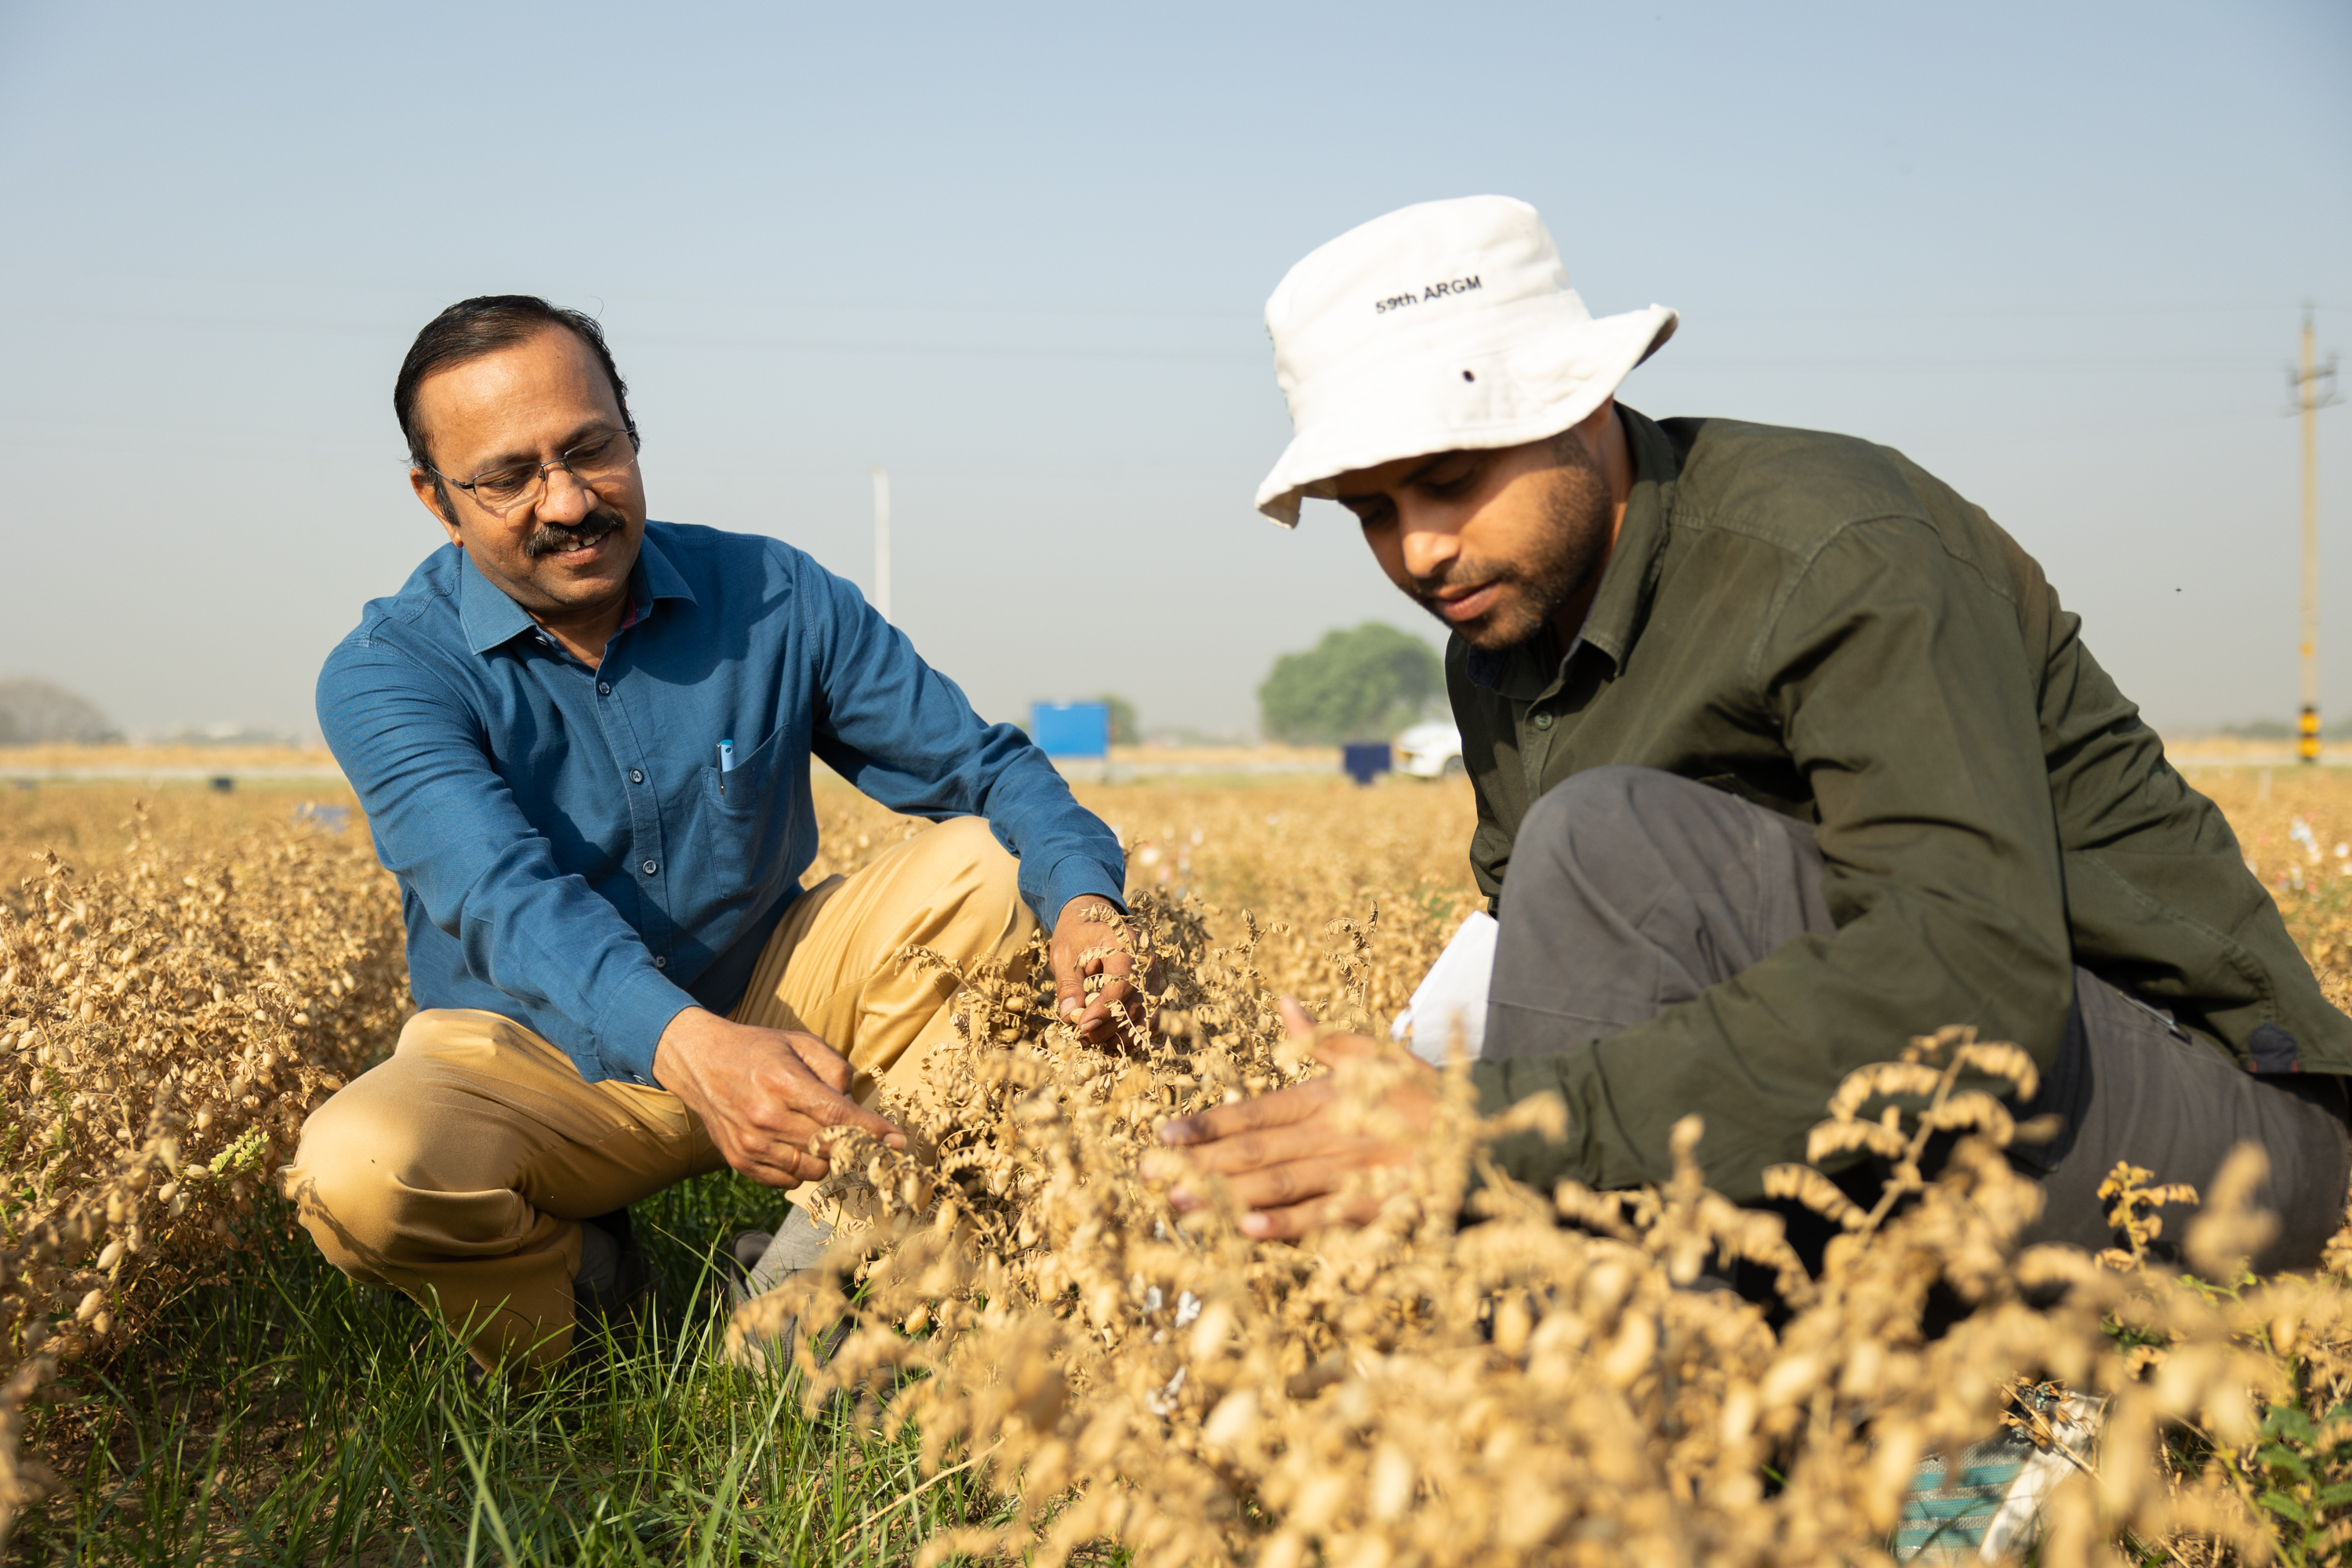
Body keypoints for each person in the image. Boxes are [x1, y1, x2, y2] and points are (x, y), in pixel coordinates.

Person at [1160, 196, 2352, 1273]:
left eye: (1451, 477)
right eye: (1372, 511)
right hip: (1895, 1134)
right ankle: (1633, 1388)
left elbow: (1979, 983)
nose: (1420, 550)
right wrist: (1350, 1140)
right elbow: (1547, 964)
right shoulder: (1498, 646)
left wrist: (1490, 1131)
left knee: (1607, 843)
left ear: (1579, 405)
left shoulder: (1835, 547)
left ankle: (1587, 1417)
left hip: (2207, 1129)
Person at [289, 296, 1143, 1370]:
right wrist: (689, 1048)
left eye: (590, 449)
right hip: (533, 1054)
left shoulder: (774, 595)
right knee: (357, 1169)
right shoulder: (389, 672)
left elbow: (986, 769)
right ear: (437, 499)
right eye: (508, 477)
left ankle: (810, 1283)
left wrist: (1086, 901)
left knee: (990, 870)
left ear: (632, 432)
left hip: (775, 1005)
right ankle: (590, 1308)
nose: (568, 501)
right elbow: (503, 898)